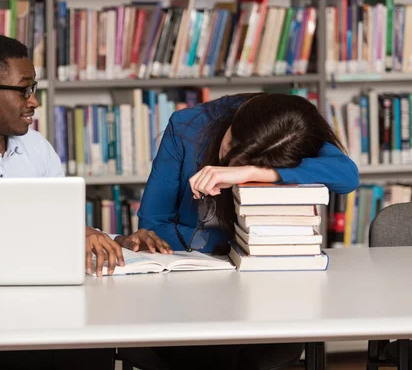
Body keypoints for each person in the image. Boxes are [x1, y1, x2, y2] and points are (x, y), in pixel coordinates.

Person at [0, 34, 171, 370]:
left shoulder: (37, 148)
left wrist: (113, 241)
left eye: (34, 89)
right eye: (24, 89)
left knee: (92, 343)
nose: (34, 102)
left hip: (45, 305)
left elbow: (61, 222)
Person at [135, 92, 360, 369]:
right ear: (232, 122)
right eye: (230, 146)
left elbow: (347, 177)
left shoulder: (291, 131)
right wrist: (233, 244)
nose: (229, 161)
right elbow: (151, 227)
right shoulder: (188, 127)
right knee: (210, 353)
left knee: (270, 348)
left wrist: (253, 173)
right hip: (193, 290)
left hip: (269, 289)